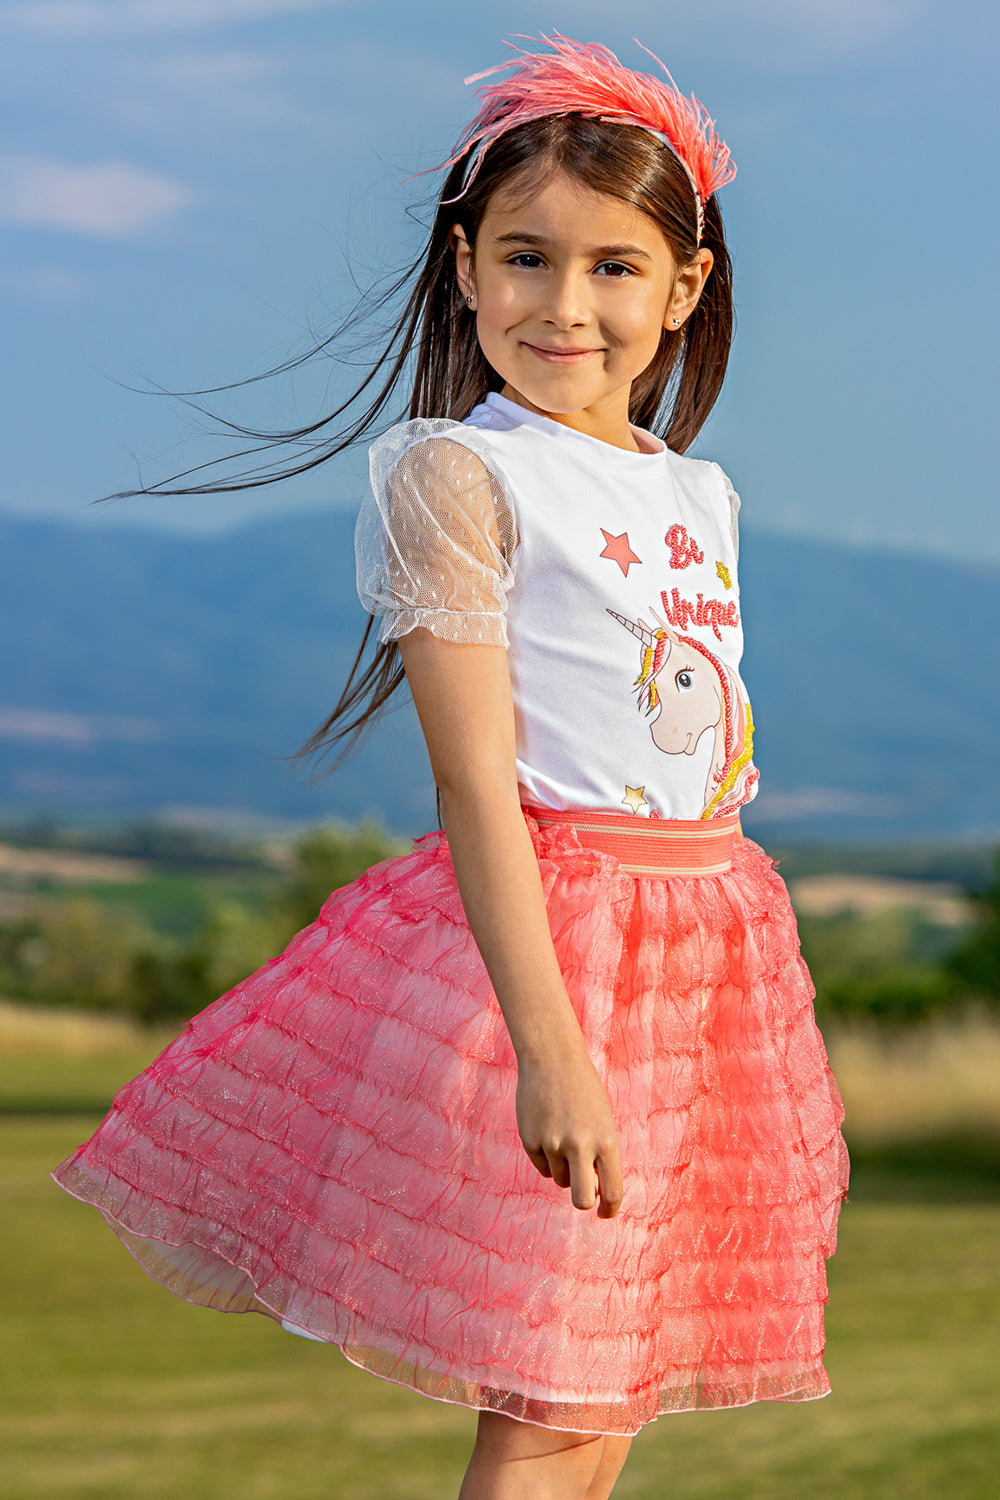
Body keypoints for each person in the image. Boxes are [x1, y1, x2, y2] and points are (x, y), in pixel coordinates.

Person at [53, 36, 848, 1500]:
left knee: (606, 1406)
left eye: (616, 268)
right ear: (467, 267)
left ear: (685, 291)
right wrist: (552, 1045)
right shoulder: (460, 475)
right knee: (549, 1401)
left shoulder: (698, 491)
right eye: (528, 258)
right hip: (563, 957)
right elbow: (481, 786)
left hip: (708, 959)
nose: (566, 304)